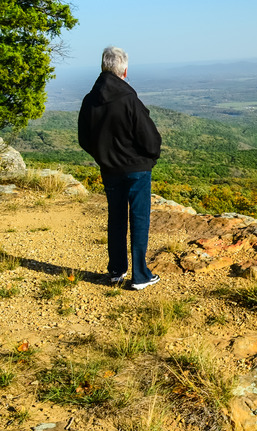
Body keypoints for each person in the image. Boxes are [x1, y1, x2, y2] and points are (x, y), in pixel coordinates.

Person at [78, 46, 161, 290]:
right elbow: (150, 138)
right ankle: (140, 275)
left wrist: (103, 156)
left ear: (104, 68)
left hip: (109, 169)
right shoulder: (128, 98)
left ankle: (116, 271)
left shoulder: (89, 100)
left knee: (116, 218)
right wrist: (150, 157)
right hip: (137, 169)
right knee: (138, 218)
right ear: (124, 70)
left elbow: (84, 138)